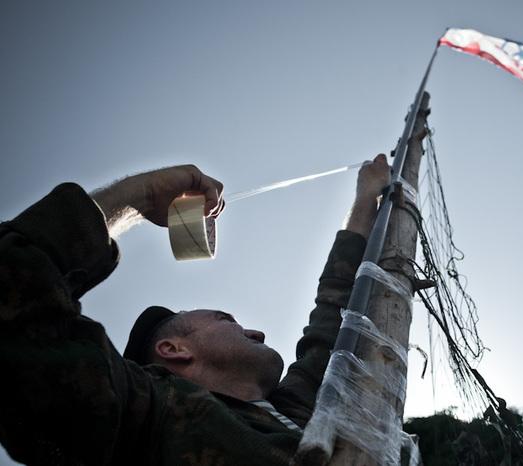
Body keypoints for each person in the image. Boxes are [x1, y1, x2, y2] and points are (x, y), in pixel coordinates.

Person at [0, 154, 390, 465]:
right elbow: (13, 293)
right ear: (173, 350)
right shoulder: (147, 417)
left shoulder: (304, 409)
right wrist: (140, 198)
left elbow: (337, 310)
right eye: (226, 319)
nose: (258, 333)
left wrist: (365, 199)